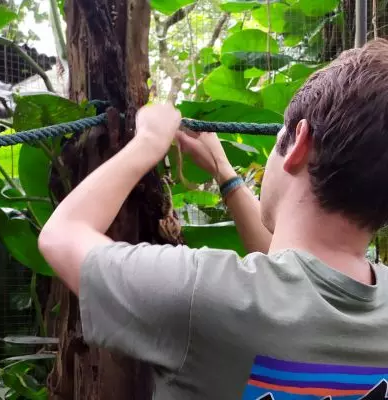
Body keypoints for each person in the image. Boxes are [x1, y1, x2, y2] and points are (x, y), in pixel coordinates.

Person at [38, 39, 388, 399]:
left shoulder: (201, 296)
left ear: (299, 143)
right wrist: (225, 174)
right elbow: (296, 278)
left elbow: (62, 235)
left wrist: (148, 142)